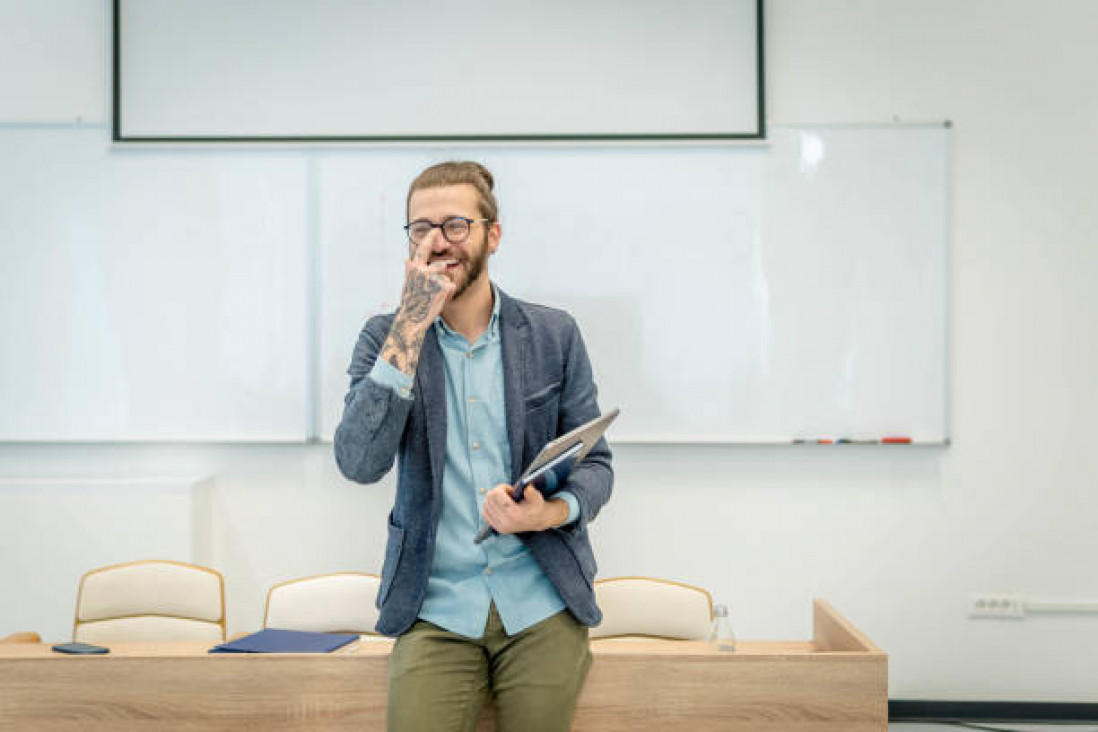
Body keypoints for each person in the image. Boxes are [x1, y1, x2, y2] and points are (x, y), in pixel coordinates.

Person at [334, 160, 613, 732]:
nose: (438, 243)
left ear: (493, 234)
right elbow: (359, 462)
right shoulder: (385, 338)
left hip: (540, 600)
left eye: (456, 225)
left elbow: (597, 466)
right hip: (434, 607)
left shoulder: (553, 334)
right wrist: (411, 324)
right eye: (421, 229)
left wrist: (552, 510)